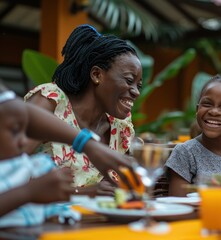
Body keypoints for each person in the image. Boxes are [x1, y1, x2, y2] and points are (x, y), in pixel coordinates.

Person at [24, 24, 143, 196]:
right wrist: (86, 192)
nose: (136, 92)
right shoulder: (51, 102)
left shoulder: (121, 128)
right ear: (96, 75)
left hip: (92, 221)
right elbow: (8, 167)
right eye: (129, 80)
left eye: (138, 85)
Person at [0, 85, 135, 225]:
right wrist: (29, 192)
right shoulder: (53, 98)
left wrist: (87, 144)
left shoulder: (26, 167)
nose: (24, 140)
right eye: (15, 131)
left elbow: (14, 109)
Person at [166, 75, 221, 196]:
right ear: (197, 109)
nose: (214, 111)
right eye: (207, 104)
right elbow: (177, 206)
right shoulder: (185, 153)